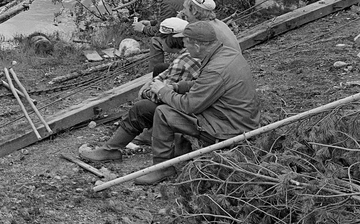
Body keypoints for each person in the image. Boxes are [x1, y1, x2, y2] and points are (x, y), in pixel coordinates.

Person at [79, 21, 261, 185]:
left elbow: (190, 106)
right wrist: (177, 87)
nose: (184, 46)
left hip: (227, 128)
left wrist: (163, 91)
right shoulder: (225, 53)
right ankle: (111, 150)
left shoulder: (216, 68)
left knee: (164, 113)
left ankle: (162, 168)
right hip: (226, 115)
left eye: (187, 43)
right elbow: (204, 86)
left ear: (198, 44)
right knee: (144, 109)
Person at [141, 0, 190, 75]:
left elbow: (159, 31)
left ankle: (152, 74)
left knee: (156, 41)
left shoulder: (167, 1)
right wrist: (151, 22)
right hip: (187, 26)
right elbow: (169, 19)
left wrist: (143, 29)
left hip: (183, 34)